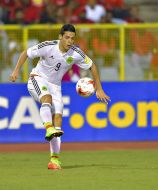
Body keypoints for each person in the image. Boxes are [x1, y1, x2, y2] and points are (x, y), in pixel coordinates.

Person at [9, 24, 110, 170]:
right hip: (37, 78)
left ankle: (54, 160)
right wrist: (16, 71)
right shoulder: (48, 46)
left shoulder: (76, 53)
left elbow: (92, 66)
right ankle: (48, 127)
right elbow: (26, 53)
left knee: (58, 120)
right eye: (67, 37)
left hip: (56, 86)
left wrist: (99, 88)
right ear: (60, 37)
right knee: (47, 99)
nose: (70, 41)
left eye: (72, 38)